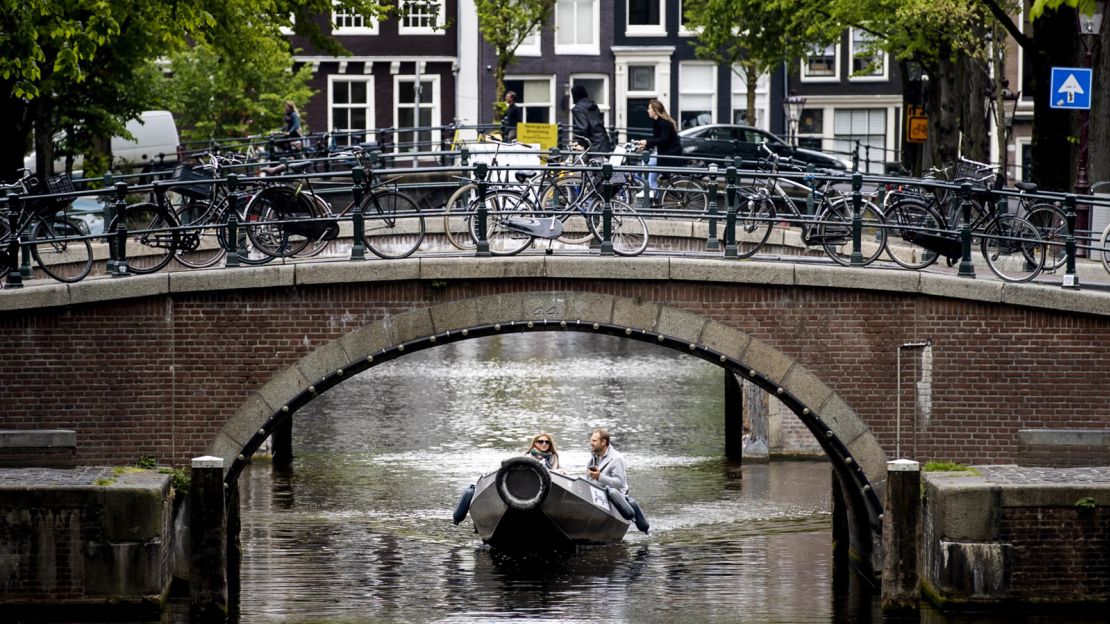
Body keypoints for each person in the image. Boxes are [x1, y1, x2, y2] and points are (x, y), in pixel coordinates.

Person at [635, 99, 683, 201]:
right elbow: (658, 140)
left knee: (646, 162)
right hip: (664, 153)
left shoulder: (665, 123)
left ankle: (649, 192)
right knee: (650, 172)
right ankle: (654, 197)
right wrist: (645, 146)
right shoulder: (657, 122)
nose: (648, 111)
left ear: (655, 111)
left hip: (669, 155)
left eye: (649, 109)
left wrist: (647, 142)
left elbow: (663, 140)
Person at [570, 85, 612, 155]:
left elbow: (583, 128)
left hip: (592, 145)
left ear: (575, 95)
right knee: (600, 164)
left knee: (585, 163)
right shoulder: (593, 105)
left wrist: (578, 142)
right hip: (604, 141)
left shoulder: (577, 109)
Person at [586, 427, 628, 494]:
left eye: (594, 441)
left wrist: (599, 477)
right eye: (591, 440)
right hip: (596, 494)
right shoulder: (593, 457)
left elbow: (619, 483)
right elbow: (588, 479)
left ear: (603, 442)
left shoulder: (617, 459)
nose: (591, 443)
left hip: (613, 498)